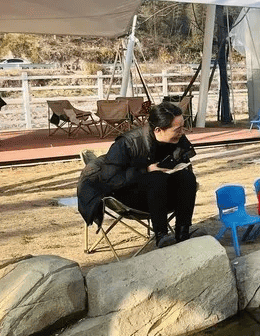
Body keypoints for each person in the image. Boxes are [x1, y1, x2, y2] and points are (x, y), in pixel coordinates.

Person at [77, 101, 197, 248]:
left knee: (187, 178)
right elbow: (110, 179)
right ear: (158, 129)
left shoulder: (177, 140)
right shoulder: (128, 143)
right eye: (178, 129)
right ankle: (161, 236)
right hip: (126, 196)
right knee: (156, 178)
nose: (182, 132)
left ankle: (183, 232)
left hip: (163, 197)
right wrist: (145, 170)